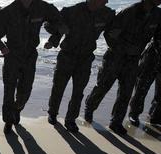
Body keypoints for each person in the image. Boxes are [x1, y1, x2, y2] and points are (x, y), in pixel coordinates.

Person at [84, 0, 161, 135]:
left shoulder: (159, 15)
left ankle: (116, 122)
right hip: (115, 57)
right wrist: (123, 49)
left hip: (133, 60)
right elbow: (110, 34)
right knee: (103, 86)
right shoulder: (130, 12)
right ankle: (89, 107)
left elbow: (160, 36)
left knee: (126, 92)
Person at [0, 0, 64, 134]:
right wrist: (1, 47)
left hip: (30, 55)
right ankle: (8, 121)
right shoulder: (8, 11)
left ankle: (17, 109)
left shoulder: (42, 7)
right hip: (12, 55)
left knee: (25, 91)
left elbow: (60, 22)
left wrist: (53, 40)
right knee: (9, 89)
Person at [45, 0, 115, 133]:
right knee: (58, 87)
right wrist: (55, 36)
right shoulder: (71, 11)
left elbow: (114, 29)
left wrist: (115, 41)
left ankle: (70, 120)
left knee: (78, 92)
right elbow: (49, 24)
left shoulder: (107, 14)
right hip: (67, 56)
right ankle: (52, 113)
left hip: (85, 59)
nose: (107, 1)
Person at [128, 20, 161, 127]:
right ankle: (134, 114)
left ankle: (156, 116)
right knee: (142, 86)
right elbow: (146, 33)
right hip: (153, 55)